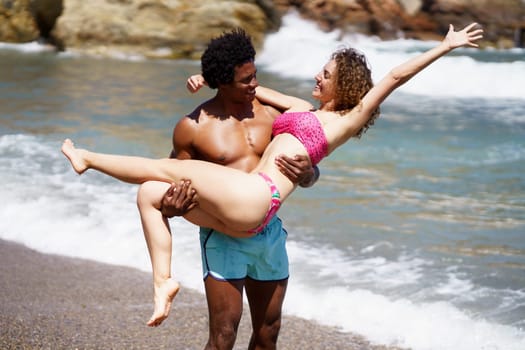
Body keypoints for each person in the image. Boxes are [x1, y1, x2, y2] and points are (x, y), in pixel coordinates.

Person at [61, 20, 482, 340]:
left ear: (344, 84)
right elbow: (248, 88)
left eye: (326, 74)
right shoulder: (299, 108)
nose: (317, 77)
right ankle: (162, 282)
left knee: (167, 169)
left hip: (258, 201)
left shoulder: (348, 120)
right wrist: (206, 77)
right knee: (152, 190)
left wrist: (444, 46)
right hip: (243, 211)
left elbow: (392, 78)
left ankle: (87, 159)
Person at [125, 29, 318, 349]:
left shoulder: (274, 115)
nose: (255, 85)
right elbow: (171, 179)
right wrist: (172, 208)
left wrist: (309, 173)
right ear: (223, 82)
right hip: (223, 238)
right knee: (224, 335)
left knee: (269, 332)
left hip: (269, 235)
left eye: (256, 76)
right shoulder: (193, 127)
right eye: (246, 80)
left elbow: (310, 170)